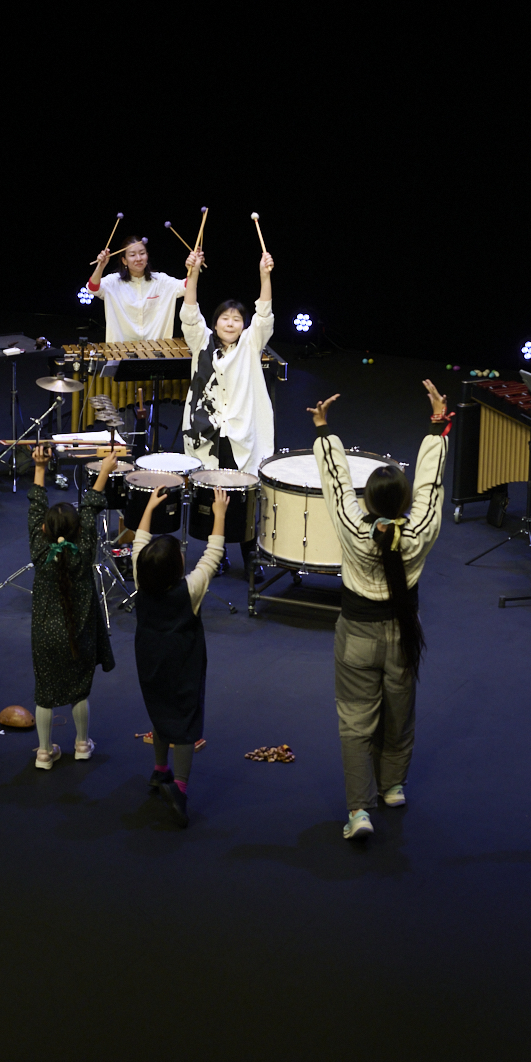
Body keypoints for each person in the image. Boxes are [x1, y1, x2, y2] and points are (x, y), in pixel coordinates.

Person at [308, 384, 449, 841]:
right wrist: (437, 428)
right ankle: (392, 787)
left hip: (357, 636)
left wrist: (324, 431)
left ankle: (359, 811)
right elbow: (431, 486)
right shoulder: (420, 529)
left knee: (355, 723)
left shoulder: (353, 527)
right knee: (400, 712)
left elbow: (335, 483)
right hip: (403, 635)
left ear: (367, 502)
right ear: (404, 503)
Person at [131, 485, 228, 828]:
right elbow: (213, 555)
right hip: (184, 663)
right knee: (186, 723)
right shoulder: (190, 590)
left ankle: (160, 770)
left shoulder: (140, 580)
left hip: (149, 659)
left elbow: (139, 542)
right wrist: (219, 514)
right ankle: (180, 790)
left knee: (160, 712)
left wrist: (148, 508)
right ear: (177, 567)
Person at [179, 247, 275, 571]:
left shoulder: (250, 344)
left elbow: (264, 314)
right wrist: (192, 273)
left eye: (236, 319)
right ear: (215, 322)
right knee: (210, 495)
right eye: (225, 318)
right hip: (206, 432)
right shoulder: (200, 341)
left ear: (243, 325)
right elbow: (189, 311)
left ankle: (250, 556)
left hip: (240, 433)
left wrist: (264, 276)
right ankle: (216, 554)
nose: (230, 323)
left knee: (245, 496)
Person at [25, 445, 119, 769]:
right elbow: (91, 507)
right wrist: (104, 470)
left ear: (44, 531)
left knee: (45, 693)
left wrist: (40, 467)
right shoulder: (86, 548)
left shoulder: (39, 550)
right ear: (80, 532)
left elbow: (36, 508)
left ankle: (43, 753)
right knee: (80, 691)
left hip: (45, 637)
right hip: (80, 634)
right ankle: (81, 744)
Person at [85, 235, 186, 343]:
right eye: (132, 255)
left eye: (142, 253)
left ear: (147, 256)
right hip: (120, 349)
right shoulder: (113, 282)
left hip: (157, 349)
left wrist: (194, 268)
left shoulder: (161, 281)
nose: (138, 258)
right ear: (124, 260)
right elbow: (92, 289)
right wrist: (100, 266)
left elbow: (185, 287)